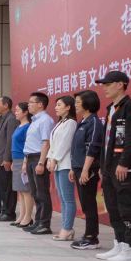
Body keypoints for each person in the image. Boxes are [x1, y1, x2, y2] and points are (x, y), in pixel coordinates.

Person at [95, 71, 131, 261]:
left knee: (129, 208)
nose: (104, 88)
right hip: (111, 169)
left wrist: (124, 162)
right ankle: (120, 243)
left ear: (120, 84)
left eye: (108, 84)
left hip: (127, 169)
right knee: (114, 207)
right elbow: (108, 141)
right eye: (103, 84)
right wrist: (103, 166)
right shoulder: (112, 109)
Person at [70, 91, 104, 251]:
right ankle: (89, 235)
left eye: (78, 102)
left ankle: (91, 237)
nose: (75, 105)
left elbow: (92, 148)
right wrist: (73, 168)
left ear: (88, 104)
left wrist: (85, 170)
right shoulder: (83, 122)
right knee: (85, 203)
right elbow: (76, 148)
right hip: (78, 168)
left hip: (88, 170)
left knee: (89, 203)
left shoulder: (94, 122)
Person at [47, 96, 79, 241]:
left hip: (65, 164)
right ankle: (65, 228)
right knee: (62, 198)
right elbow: (54, 144)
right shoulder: (60, 123)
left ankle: (67, 228)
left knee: (68, 198)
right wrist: (49, 158)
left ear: (68, 107)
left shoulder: (71, 123)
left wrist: (54, 159)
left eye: (59, 105)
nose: (56, 107)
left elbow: (65, 144)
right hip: (58, 164)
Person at [23, 92, 54, 235]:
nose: (28, 105)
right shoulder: (34, 121)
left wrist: (41, 163)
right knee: (35, 192)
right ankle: (38, 221)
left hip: (38, 158)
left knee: (42, 192)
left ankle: (45, 224)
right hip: (30, 158)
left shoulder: (45, 120)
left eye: (31, 102)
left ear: (40, 104)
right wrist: (26, 161)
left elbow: (46, 143)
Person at [0, 97, 18, 222]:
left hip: (4, 159)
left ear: (6, 105)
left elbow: (9, 140)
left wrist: (7, 158)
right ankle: (4, 210)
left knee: (7, 188)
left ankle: (9, 212)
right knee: (2, 187)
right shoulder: (1, 118)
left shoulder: (11, 119)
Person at [9, 103, 33, 229]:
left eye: (18, 110)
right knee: (20, 190)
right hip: (16, 159)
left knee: (26, 190)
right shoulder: (19, 126)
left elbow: (28, 145)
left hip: (23, 159)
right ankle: (22, 215)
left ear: (25, 112)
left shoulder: (28, 127)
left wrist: (25, 161)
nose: (16, 112)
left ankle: (28, 217)